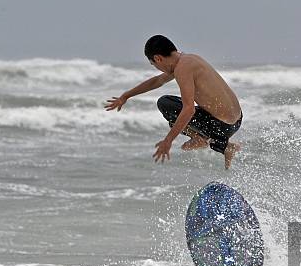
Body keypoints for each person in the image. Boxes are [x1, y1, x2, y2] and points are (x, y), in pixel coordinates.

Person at [104, 35, 242, 169]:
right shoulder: (188, 60)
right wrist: (126, 96)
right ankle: (225, 146)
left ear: (158, 58)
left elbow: (189, 110)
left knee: (166, 105)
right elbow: (157, 81)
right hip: (235, 121)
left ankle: (202, 139)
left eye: (154, 64)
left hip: (221, 126)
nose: (157, 68)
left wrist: (168, 141)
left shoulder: (183, 68)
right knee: (175, 114)